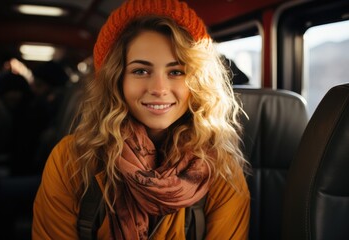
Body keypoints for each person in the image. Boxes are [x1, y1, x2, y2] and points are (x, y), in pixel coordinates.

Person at [32, 0, 250, 239]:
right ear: (117, 80)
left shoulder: (221, 171)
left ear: (197, 82)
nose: (159, 88)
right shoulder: (70, 160)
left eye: (176, 71)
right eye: (140, 71)